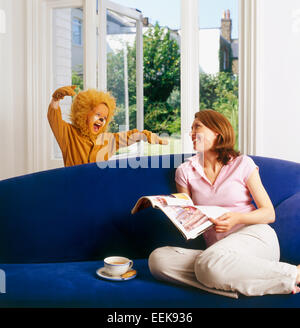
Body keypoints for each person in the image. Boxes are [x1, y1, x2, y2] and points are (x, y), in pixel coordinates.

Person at [148, 109, 300, 298]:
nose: (191, 133)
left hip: (255, 237)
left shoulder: (242, 164)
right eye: (191, 129)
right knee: (158, 260)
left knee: (208, 264)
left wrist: (237, 218)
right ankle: (242, 282)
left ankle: (293, 273)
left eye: (198, 127)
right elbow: (187, 216)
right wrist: (168, 209)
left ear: (217, 132)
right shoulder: (185, 171)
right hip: (217, 255)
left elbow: (269, 213)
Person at [48, 86, 168, 167]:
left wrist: (147, 136)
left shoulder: (107, 139)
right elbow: (54, 120)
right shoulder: (69, 134)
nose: (101, 119)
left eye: (105, 117)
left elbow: (128, 137)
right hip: (74, 191)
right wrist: (55, 99)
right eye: (98, 114)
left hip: (99, 190)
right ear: (84, 113)